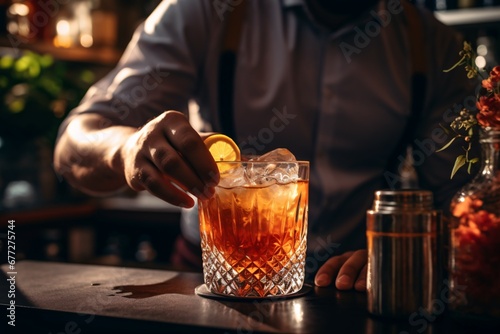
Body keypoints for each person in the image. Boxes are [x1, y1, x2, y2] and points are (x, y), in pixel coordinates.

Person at [54, 0, 477, 292]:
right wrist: (127, 149)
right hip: (211, 283)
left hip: (354, 291)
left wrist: (401, 250)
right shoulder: (208, 11)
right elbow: (74, 145)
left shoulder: (436, 48)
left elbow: (466, 204)